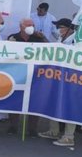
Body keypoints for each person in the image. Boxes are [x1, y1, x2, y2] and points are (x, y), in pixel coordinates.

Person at [38, 18, 77, 147]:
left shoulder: (76, 41)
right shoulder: (61, 39)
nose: (58, 30)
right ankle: (54, 130)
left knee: (71, 106)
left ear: (69, 29)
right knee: (54, 102)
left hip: (72, 78)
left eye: (60, 27)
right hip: (58, 77)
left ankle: (68, 136)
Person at [7, 18, 46, 135]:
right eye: (28, 25)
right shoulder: (13, 37)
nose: (31, 27)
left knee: (34, 101)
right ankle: (13, 126)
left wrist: (43, 37)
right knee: (15, 100)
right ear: (21, 26)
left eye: (32, 25)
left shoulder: (38, 39)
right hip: (17, 73)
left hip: (35, 74)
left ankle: (33, 129)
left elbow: (51, 50)